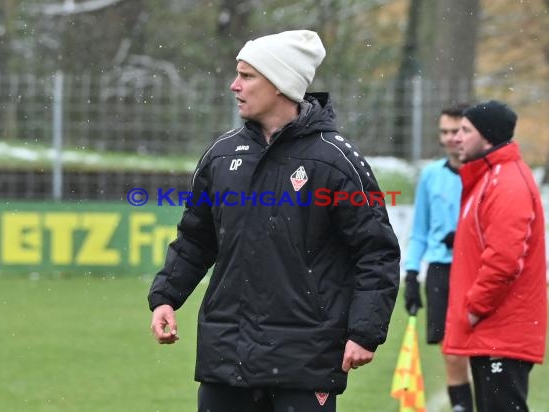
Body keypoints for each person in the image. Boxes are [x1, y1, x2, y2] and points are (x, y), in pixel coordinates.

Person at [147, 30, 401, 412]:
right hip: (227, 354)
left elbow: (376, 253)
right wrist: (166, 297)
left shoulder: (334, 161)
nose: (234, 86)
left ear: (281, 84)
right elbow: (196, 239)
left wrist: (365, 331)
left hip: (306, 358)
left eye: (247, 76)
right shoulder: (221, 155)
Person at [443, 100, 547, 412]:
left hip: (500, 330)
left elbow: (504, 260)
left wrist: (474, 308)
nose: (456, 138)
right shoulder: (491, 177)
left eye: (465, 130)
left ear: (487, 136)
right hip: (492, 331)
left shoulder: (507, 182)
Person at [404, 104, 474, 412]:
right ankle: (462, 407)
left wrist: (465, 239)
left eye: (456, 131)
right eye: (444, 131)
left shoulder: (485, 172)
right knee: (452, 349)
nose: (449, 138)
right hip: (441, 271)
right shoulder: (431, 176)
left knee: (482, 348)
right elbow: (419, 231)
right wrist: (409, 274)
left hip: (478, 269)